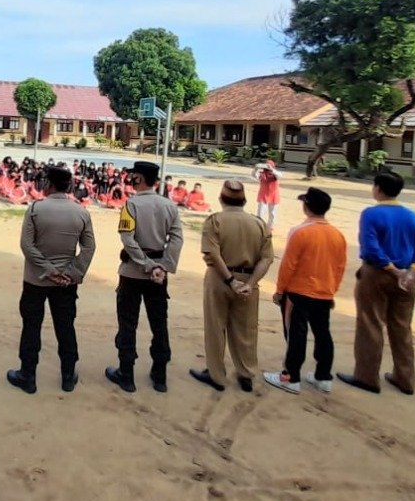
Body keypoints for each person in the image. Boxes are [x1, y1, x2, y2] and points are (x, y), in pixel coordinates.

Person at [337, 170, 415, 396]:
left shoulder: (372, 214)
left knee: (370, 324)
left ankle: (367, 376)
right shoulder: (412, 217)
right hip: (407, 279)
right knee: (402, 328)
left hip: (378, 274)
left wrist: (393, 270)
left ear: (378, 188)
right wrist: (411, 272)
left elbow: (371, 249)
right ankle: (405, 378)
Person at [6, 165, 96, 395]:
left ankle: (28, 376)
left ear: (49, 184)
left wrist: (47, 269)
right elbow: (89, 247)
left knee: (31, 327)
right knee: (65, 327)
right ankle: (67, 376)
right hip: (66, 282)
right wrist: (72, 272)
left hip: (36, 280)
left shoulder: (36, 208)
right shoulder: (81, 212)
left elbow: (27, 245)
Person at [105, 160, 184, 393]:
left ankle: (126, 374)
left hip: (132, 272)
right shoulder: (169, 206)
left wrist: (147, 265)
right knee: (159, 324)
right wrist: (163, 266)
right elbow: (177, 239)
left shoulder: (130, 205)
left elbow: (128, 240)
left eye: (133, 176)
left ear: (138, 179)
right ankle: (160, 376)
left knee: (128, 323)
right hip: (159, 275)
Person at [191, 180, 275, 392]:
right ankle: (246, 373)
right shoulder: (259, 224)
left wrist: (230, 280)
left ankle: (217, 375)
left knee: (215, 327)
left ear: (221, 199)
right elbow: (267, 259)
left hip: (219, 279)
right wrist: (250, 283)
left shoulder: (215, 221)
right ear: (245, 200)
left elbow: (211, 253)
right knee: (246, 329)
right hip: (248, 281)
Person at [263, 187, 347, 394]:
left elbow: (288, 265)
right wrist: (332, 290)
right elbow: (340, 267)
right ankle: (323, 375)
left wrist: (280, 290)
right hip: (324, 292)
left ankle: (290, 377)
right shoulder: (337, 235)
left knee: (295, 335)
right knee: (323, 334)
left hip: (299, 292)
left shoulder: (301, 231)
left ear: (306, 206)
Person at [253, 160, 282, 229]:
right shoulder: (261, 174)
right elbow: (254, 175)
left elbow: (280, 175)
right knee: (260, 212)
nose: (266, 168)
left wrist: (271, 169)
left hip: (274, 195)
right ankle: (259, 226)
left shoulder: (275, 174)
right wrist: (255, 169)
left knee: (272, 213)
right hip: (263, 195)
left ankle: (270, 227)